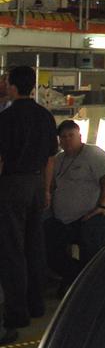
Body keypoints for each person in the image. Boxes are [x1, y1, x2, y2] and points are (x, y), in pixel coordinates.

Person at [0, 65, 58, 328]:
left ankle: (17, 312)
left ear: (12, 86)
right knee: (35, 245)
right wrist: (46, 189)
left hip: (13, 185)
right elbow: (50, 158)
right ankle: (36, 304)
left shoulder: (6, 118)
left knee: (12, 250)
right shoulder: (45, 116)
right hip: (36, 184)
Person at [44, 120, 105, 290]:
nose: (67, 140)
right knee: (47, 240)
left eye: (71, 135)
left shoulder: (93, 154)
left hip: (100, 214)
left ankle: (90, 285)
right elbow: (50, 184)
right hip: (66, 219)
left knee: (90, 237)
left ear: (80, 136)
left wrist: (101, 206)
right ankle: (75, 277)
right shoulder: (58, 160)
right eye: (63, 137)